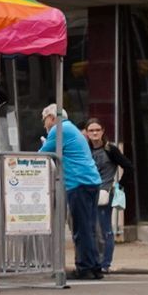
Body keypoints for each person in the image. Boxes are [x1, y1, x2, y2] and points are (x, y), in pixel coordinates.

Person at [40, 104, 106, 280]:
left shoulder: (58, 129)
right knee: (89, 226)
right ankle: (95, 266)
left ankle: (84, 268)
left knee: (81, 228)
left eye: (44, 119)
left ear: (52, 118)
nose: (44, 124)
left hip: (78, 182)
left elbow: (41, 154)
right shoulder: (73, 129)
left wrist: (45, 142)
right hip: (91, 181)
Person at [82, 118, 135, 274]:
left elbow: (128, 166)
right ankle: (94, 260)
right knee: (91, 229)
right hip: (88, 193)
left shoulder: (110, 149)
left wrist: (119, 186)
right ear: (86, 132)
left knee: (105, 228)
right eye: (91, 130)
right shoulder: (84, 150)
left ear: (103, 131)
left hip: (105, 192)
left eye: (97, 130)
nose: (95, 133)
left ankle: (105, 263)